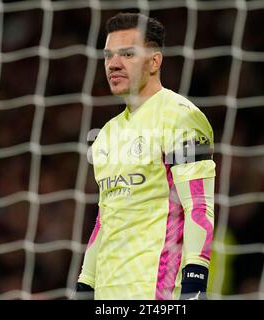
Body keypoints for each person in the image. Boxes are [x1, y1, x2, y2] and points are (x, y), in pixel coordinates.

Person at [74, 12, 216, 300]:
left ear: (155, 61)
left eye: (127, 54)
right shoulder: (106, 135)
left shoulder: (180, 116)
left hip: (159, 293)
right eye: (108, 56)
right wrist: (85, 286)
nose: (113, 64)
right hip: (108, 295)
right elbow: (105, 219)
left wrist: (194, 285)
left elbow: (199, 208)